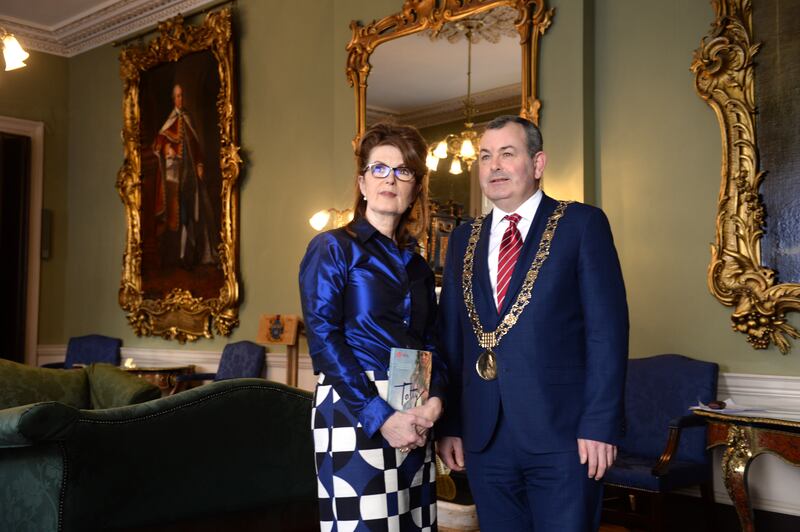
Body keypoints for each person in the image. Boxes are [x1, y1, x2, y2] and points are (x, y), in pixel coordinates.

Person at [436, 115, 629, 531]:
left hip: (565, 436)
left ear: (537, 164)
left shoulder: (581, 224)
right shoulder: (462, 239)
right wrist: (450, 424)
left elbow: (606, 334)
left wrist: (600, 425)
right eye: (485, 157)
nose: (494, 166)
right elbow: (451, 338)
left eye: (508, 153)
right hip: (484, 437)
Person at [299, 122, 447, 531]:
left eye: (403, 171)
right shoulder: (332, 248)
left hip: (415, 411)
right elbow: (324, 340)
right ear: (362, 182)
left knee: (413, 525)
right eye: (379, 168)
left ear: (415, 188)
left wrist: (436, 401)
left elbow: (431, 342)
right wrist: (381, 416)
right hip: (354, 409)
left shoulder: (418, 267)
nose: (390, 179)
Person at [152, 83, 218, 269]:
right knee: (179, 217)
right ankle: (181, 256)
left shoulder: (188, 119)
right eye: (177, 96)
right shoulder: (170, 121)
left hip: (191, 177)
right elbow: (158, 143)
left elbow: (196, 147)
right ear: (173, 99)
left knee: (194, 215)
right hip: (176, 179)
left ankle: (193, 254)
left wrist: (199, 164)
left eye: (182, 95)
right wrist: (166, 148)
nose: (180, 99)